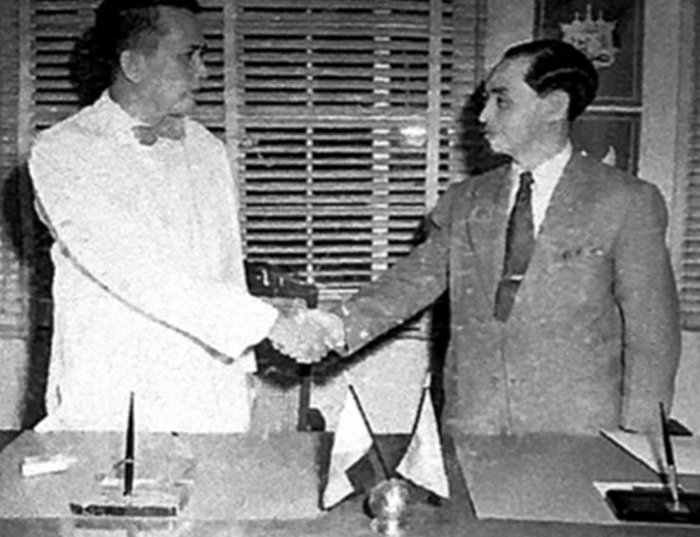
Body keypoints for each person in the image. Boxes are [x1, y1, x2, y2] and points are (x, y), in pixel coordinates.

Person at [309, 39, 681, 436]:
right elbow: (411, 282)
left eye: (502, 101)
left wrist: (641, 438)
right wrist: (332, 326)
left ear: (554, 107)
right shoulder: (464, 200)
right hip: (474, 424)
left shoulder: (626, 200)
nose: (483, 115)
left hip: (580, 433)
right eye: (486, 100)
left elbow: (652, 332)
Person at [28, 0, 342, 433]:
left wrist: (259, 349)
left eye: (203, 56)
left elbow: (221, 272)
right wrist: (268, 324)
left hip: (212, 398)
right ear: (133, 65)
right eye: (187, 56)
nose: (204, 73)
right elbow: (137, 269)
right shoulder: (64, 151)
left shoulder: (207, 148)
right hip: (118, 401)